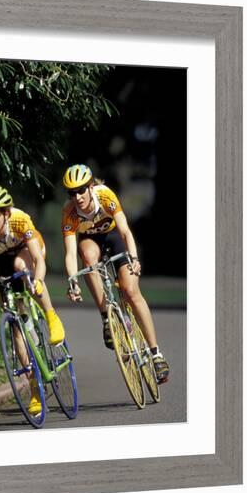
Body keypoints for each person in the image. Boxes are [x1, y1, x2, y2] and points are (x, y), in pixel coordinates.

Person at [61, 164, 169, 383]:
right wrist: (72, 281)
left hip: (113, 237)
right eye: (72, 193)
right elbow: (70, 253)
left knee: (131, 291)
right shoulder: (69, 213)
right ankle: (106, 318)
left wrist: (135, 259)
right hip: (91, 241)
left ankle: (156, 354)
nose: (78, 196)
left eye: (82, 190)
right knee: (87, 257)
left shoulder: (106, 196)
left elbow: (125, 231)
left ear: (91, 187)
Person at [0, 184, 65, 415]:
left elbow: (39, 260)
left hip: (27, 250)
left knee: (22, 267)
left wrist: (38, 281)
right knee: (14, 321)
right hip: (3, 258)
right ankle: (34, 389)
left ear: (6, 214)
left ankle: (51, 317)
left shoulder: (19, 220)